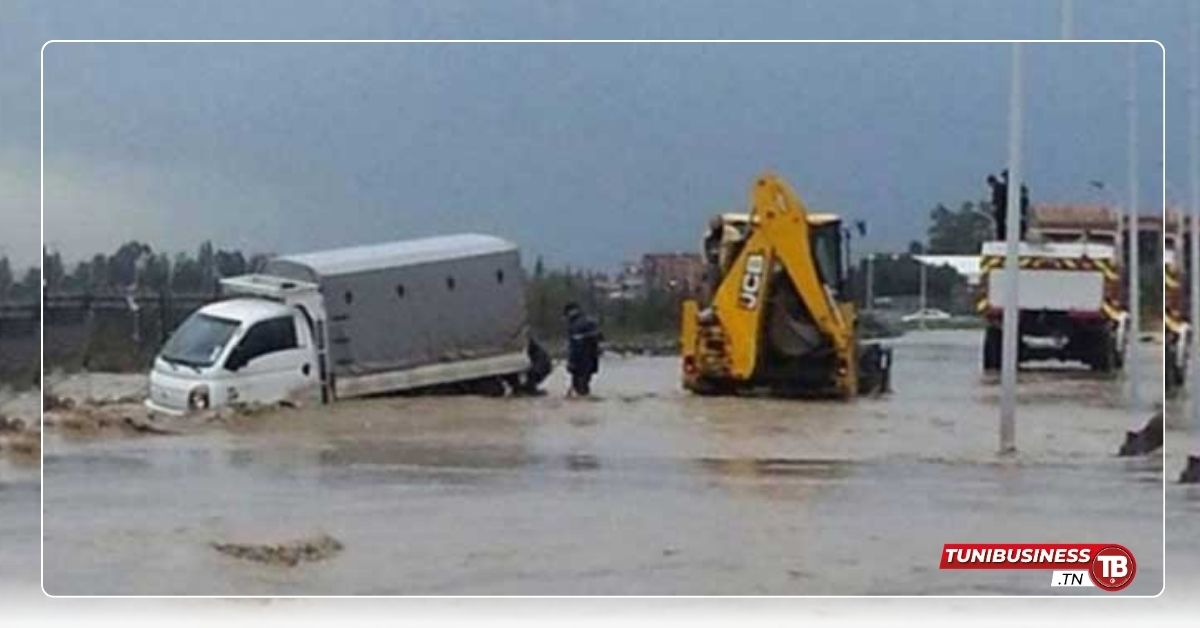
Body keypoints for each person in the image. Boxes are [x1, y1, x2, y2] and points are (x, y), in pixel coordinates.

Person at [563, 302, 603, 396]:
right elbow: (600, 338)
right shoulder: (589, 321)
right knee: (583, 385)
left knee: (580, 386)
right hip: (591, 360)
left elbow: (575, 347)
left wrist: (571, 362)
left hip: (580, 361)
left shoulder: (576, 325)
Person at [986, 172, 1009, 239]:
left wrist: (995, 208)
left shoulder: (997, 188)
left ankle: (1001, 237)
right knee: (1001, 224)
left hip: (1000, 210)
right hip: (1003, 209)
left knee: (1000, 225)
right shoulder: (1002, 186)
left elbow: (997, 200)